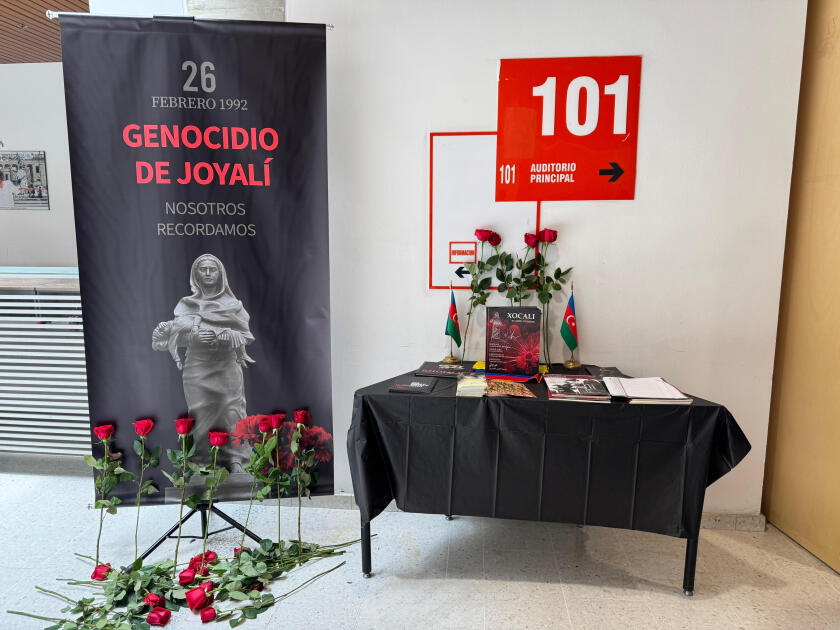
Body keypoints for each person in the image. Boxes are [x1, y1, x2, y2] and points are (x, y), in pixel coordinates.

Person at [152, 254, 255, 466]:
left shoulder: (233, 305)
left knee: (232, 412)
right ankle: (202, 462)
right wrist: (195, 338)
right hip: (197, 368)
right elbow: (173, 338)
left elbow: (246, 336)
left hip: (227, 366)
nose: (207, 273)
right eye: (203, 269)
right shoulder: (186, 305)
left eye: (212, 269)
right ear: (196, 275)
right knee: (200, 415)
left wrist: (226, 335)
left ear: (220, 274)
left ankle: (237, 460)